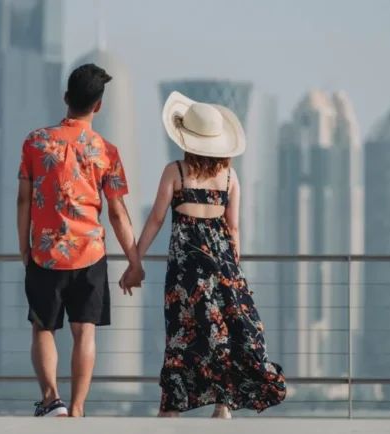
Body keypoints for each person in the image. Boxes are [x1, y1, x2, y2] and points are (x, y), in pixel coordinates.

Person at [121, 91, 287, 418]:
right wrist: (234, 273)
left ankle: (171, 408)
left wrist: (135, 260)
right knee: (224, 334)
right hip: (224, 266)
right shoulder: (229, 176)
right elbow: (233, 228)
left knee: (183, 337)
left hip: (186, 273)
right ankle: (223, 404)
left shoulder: (176, 172)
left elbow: (155, 219)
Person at [17, 63, 144, 418]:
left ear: (66, 98)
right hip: (90, 254)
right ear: (99, 106)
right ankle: (76, 409)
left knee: (44, 328)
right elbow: (117, 212)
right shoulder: (106, 151)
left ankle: (50, 398)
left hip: (45, 253)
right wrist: (134, 261)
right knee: (84, 333)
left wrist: (24, 247)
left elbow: (23, 199)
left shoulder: (35, 141)